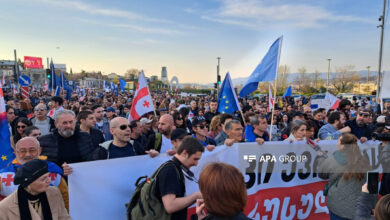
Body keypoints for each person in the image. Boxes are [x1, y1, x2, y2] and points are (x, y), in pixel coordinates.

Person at [0, 137, 70, 209]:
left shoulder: (54, 172)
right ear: (15, 152)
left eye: (32, 150)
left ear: (40, 150)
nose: (28, 154)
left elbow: (65, 199)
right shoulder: (3, 176)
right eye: (22, 151)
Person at [317, 133, 370, 220]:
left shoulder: (334, 159)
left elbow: (322, 174)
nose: (337, 143)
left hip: (338, 208)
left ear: (342, 145)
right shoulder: (363, 159)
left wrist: (321, 156)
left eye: (338, 141)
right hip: (360, 208)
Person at [0, 159, 70, 220]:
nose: (49, 181)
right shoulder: (4, 207)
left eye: (48, 177)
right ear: (28, 184)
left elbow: (63, 218)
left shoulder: (54, 192)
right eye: (43, 179)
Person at [155, 137, 204, 220]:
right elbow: (170, 206)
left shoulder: (174, 168)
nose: (196, 164)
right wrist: (196, 196)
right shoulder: (170, 170)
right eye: (195, 159)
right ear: (184, 153)